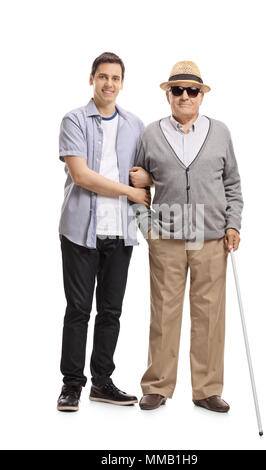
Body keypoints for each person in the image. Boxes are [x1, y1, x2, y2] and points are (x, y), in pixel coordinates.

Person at [131, 61, 244, 411]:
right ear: (168, 94)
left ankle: (207, 389)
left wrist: (233, 224)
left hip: (211, 237)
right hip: (166, 236)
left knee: (209, 314)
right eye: (177, 90)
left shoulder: (221, 132)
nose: (184, 96)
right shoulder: (151, 134)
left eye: (191, 91)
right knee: (164, 311)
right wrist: (147, 227)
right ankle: (157, 386)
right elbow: (134, 184)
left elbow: (233, 185)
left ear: (201, 96)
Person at [57, 52, 151, 412]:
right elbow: (81, 176)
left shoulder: (134, 124)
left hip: (121, 231)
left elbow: (145, 172)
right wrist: (130, 190)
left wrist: (145, 181)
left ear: (122, 83)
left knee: (111, 311)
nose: (109, 84)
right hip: (81, 229)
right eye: (103, 77)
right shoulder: (74, 120)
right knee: (78, 310)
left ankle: (102, 382)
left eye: (115, 78)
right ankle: (71, 385)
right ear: (92, 79)